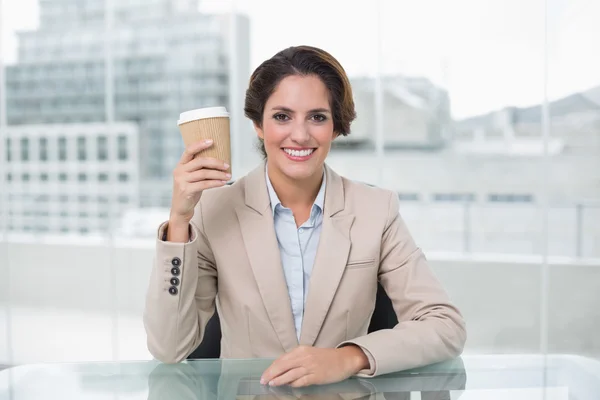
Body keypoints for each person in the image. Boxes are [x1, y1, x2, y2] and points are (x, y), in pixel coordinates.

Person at [143, 45, 466, 388]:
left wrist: (348, 356)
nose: (300, 134)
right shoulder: (214, 210)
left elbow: (445, 325)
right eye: (282, 116)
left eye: (317, 117)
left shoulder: (376, 210)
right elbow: (169, 347)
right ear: (258, 124)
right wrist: (179, 221)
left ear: (336, 127)